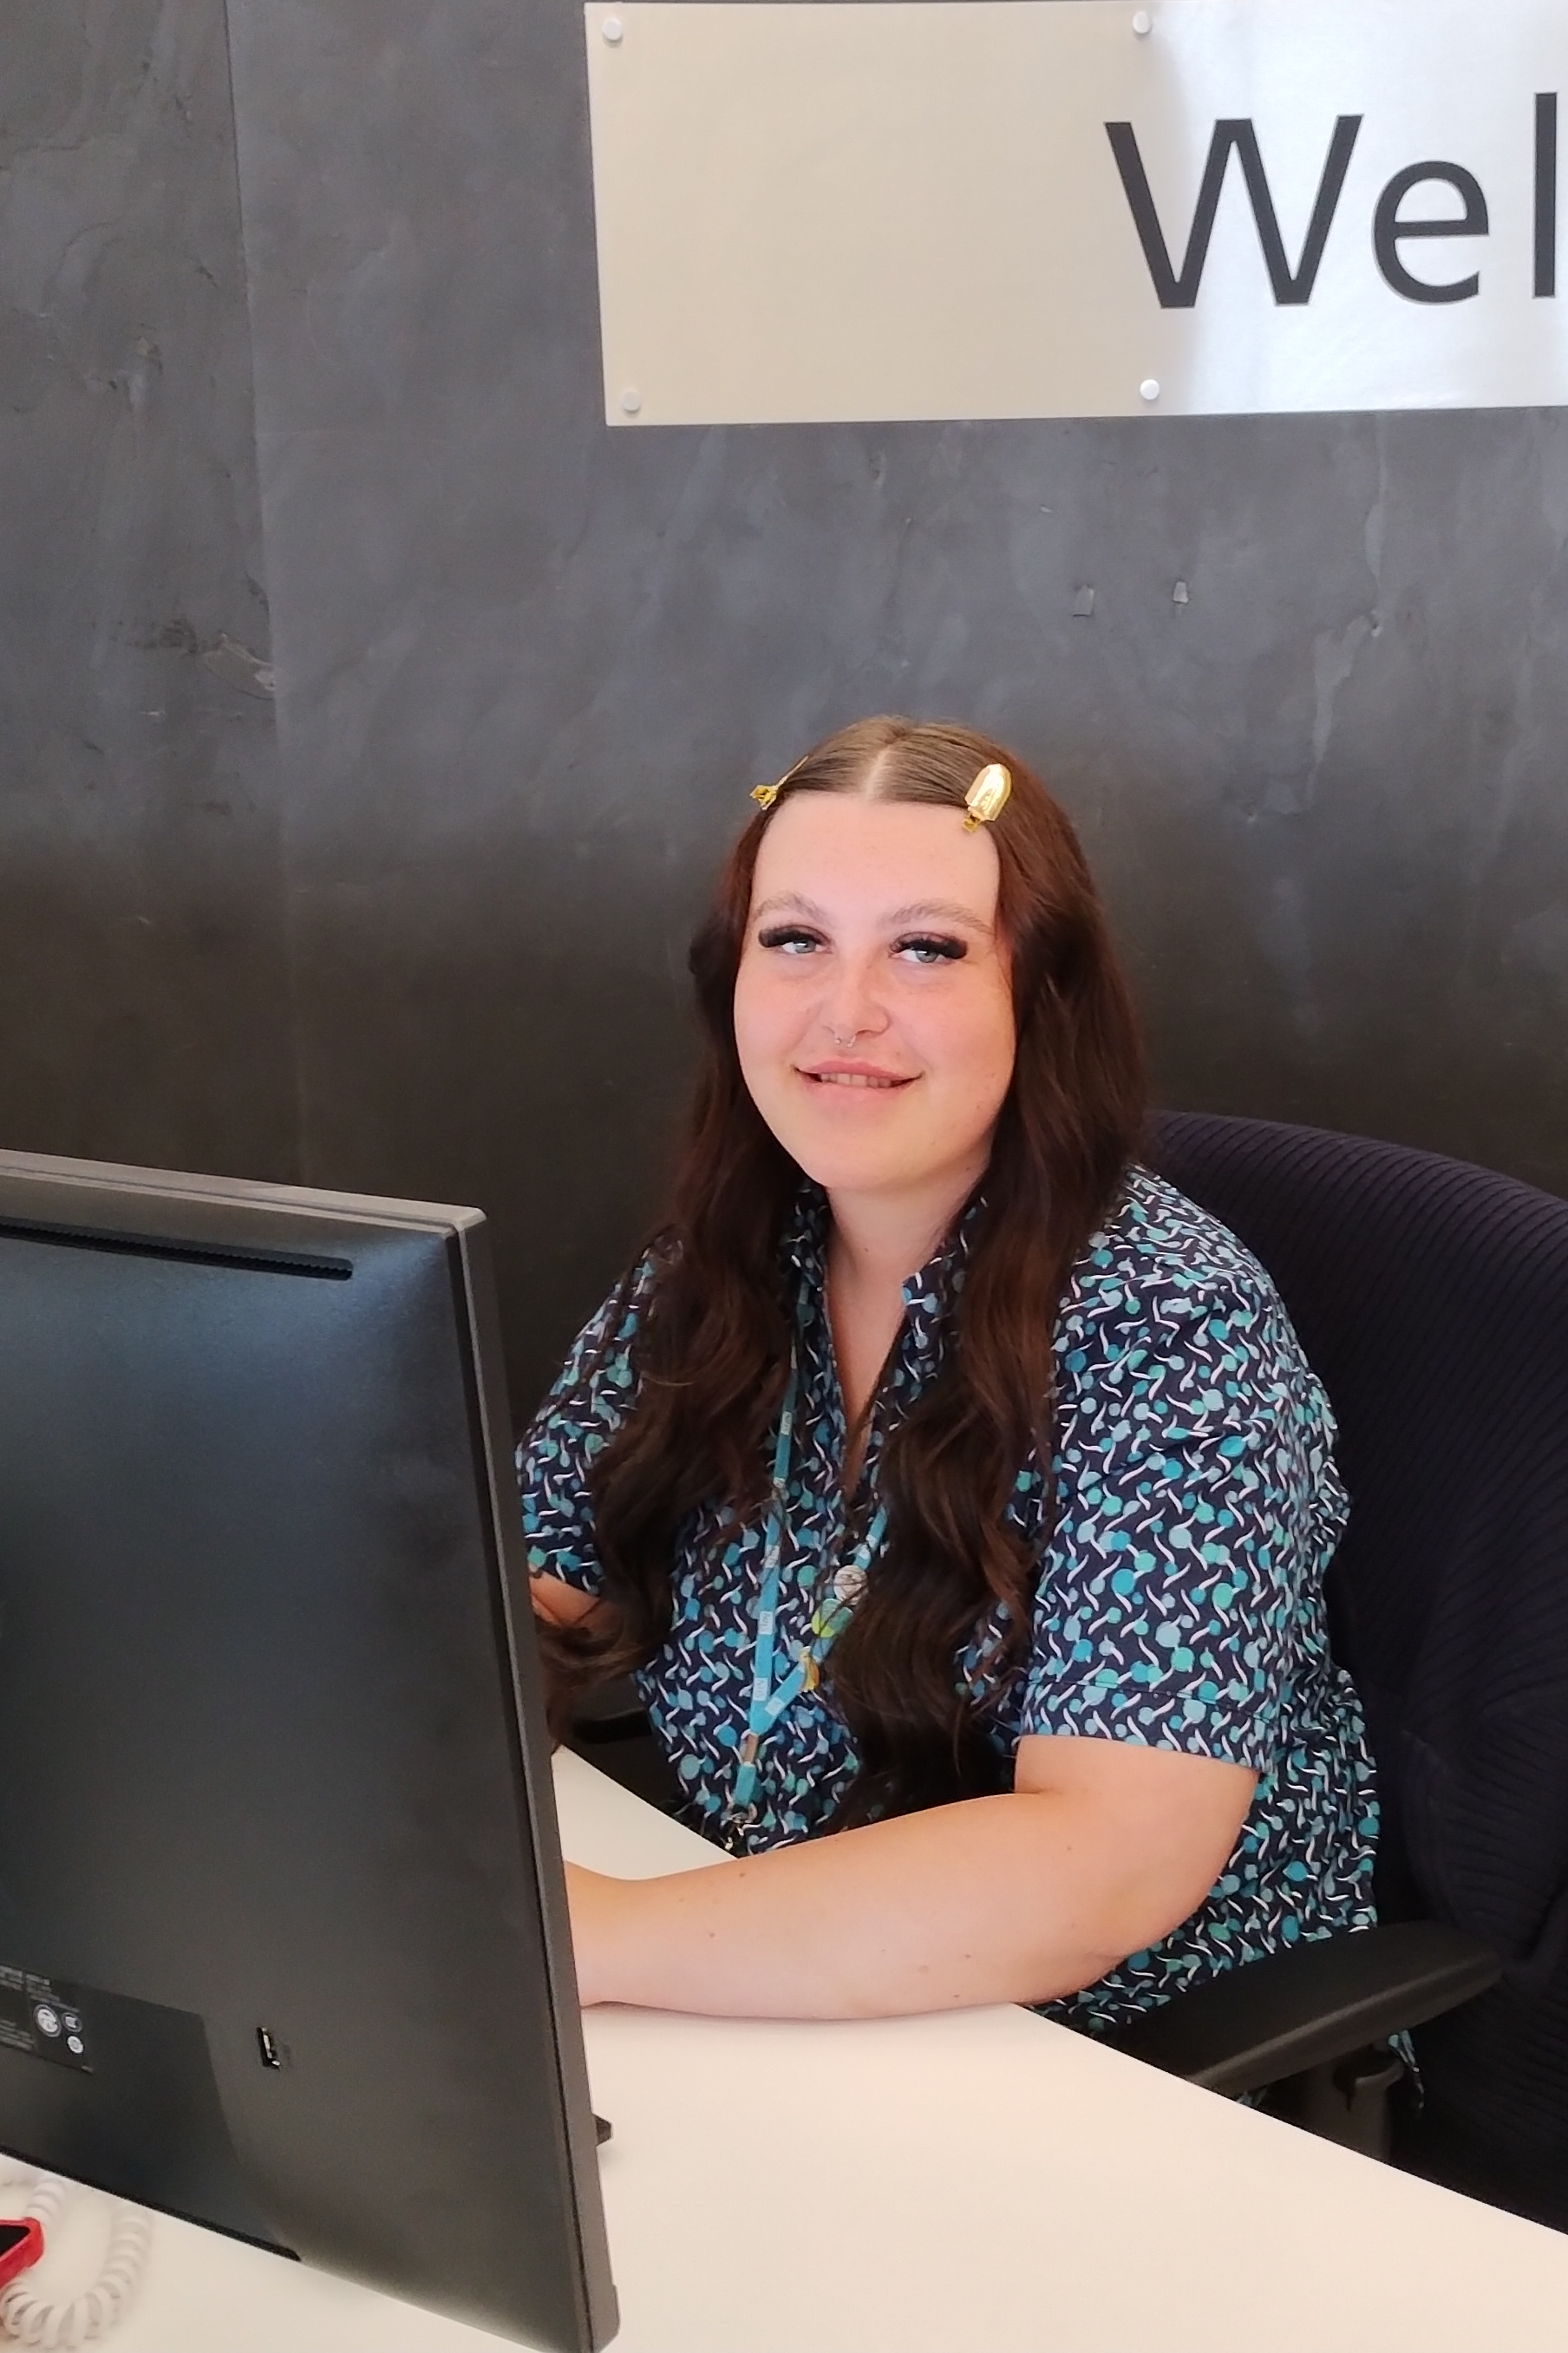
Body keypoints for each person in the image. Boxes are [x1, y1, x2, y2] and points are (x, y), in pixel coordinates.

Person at [519, 716, 1377, 2027]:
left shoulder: (1173, 1331)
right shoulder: (727, 1258)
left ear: (1040, 996)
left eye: (926, 949)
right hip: (765, 1973)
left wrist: (599, 1936)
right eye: (793, 940)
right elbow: (526, 1589)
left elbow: (1104, 1864)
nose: (845, 1013)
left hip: (1106, 2056)